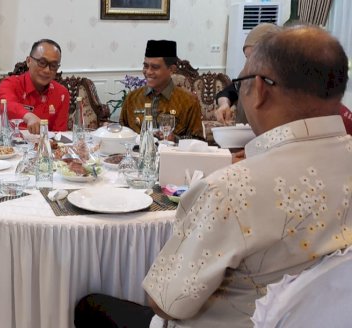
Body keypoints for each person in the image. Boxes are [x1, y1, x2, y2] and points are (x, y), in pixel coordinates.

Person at [75, 26, 352, 327]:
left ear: (259, 89)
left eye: (241, 80)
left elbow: (167, 301)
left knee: (89, 307)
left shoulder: (233, 189)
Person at [119, 40, 203, 139]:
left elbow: (198, 141)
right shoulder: (132, 98)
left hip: (171, 154)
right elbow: (121, 134)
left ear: (171, 69)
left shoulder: (188, 101)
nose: (148, 72)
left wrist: (175, 139)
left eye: (155, 67)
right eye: (146, 66)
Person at [0, 39, 70, 134]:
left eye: (53, 65)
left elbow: (59, 134)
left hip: (44, 147)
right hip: (10, 146)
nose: (47, 70)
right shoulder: (9, 84)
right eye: (42, 63)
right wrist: (29, 116)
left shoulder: (61, 93)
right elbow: (6, 105)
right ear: (29, 61)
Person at [214, 23, 281, 124]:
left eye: (255, 58)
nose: (249, 65)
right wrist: (224, 104)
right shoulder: (245, 75)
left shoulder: (283, 82)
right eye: (247, 57)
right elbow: (228, 92)